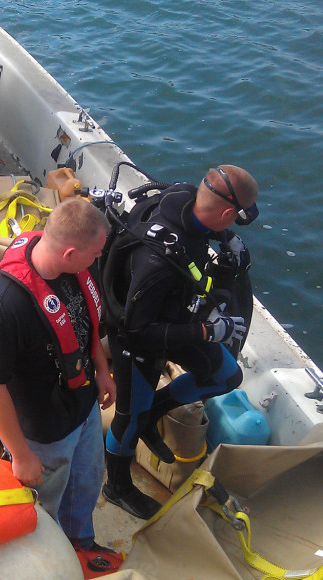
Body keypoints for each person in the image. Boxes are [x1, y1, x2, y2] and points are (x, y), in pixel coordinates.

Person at [0, 197, 123, 575]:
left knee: (88, 480)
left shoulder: (72, 270)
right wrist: (21, 455)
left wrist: (103, 371)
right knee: (43, 507)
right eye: (94, 254)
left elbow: (87, 329)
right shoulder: (4, 308)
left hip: (84, 407)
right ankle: (47, 565)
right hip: (44, 431)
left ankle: (81, 546)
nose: (97, 261)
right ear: (71, 252)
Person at [101, 165, 259, 519]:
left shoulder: (186, 196)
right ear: (227, 212)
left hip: (175, 318)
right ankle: (118, 486)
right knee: (129, 415)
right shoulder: (159, 260)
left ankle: (153, 414)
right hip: (136, 339)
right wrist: (207, 332)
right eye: (236, 219)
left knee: (226, 376)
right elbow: (137, 329)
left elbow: (206, 227)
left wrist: (226, 237)